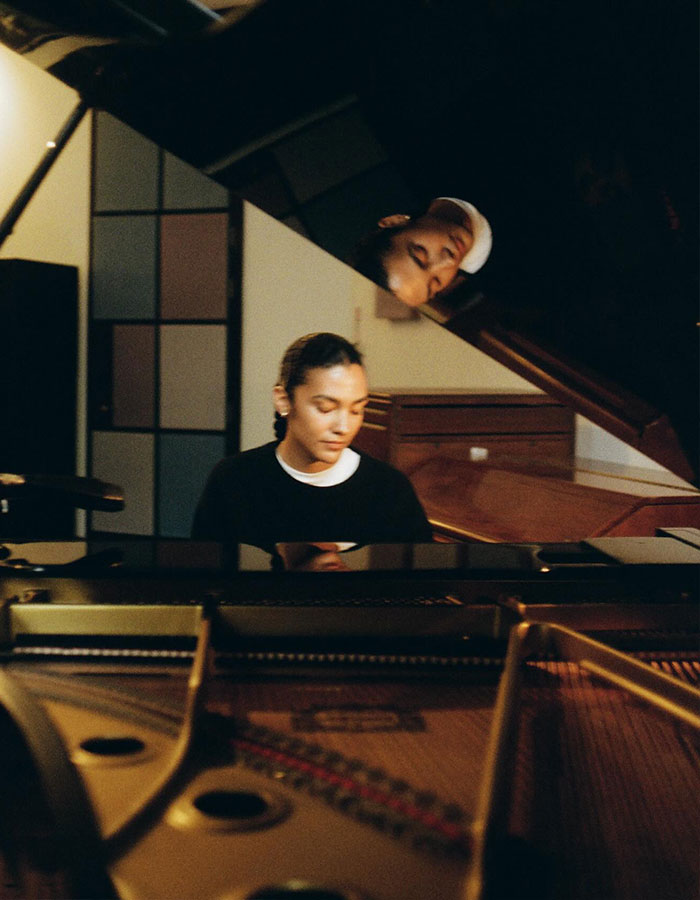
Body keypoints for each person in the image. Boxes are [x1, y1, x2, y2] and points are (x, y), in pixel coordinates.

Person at [192, 332, 432, 550]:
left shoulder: (389, 490)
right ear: (284, 400)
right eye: (325, 408)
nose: (344, 427)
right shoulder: (234, 480)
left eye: (356, 410)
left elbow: (419, 588)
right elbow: (205, 583)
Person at [352, 197, 492, 307]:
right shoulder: (500, 285)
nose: (449, 260)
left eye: (421, 255)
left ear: (394, 222)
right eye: (436, 282)